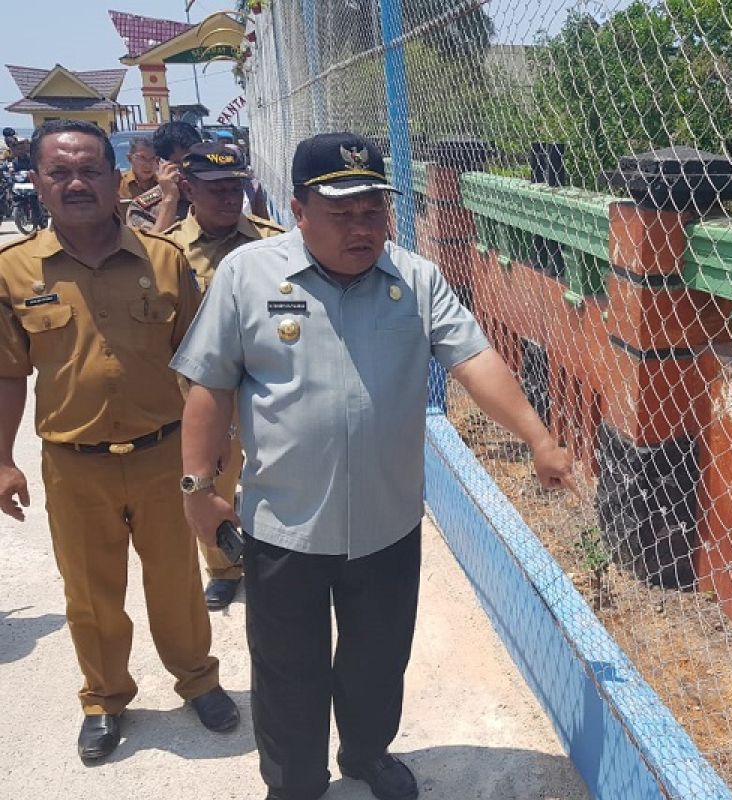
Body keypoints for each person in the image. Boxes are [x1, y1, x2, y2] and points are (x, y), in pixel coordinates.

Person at [172, 132, 573, 800]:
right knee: (288, 672)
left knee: (378, 661)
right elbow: (209, 385)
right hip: (285, 527)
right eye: (342, 211)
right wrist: (196, 488)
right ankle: (294, 781)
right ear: (299, 210)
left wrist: (536, 435)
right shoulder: (248, 276)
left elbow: (474, 359)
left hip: (387, 524)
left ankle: (366, 754)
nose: (362, 227)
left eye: (373, 210)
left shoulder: (415, 278)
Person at [0, 119, 239, 764]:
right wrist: (2, 461)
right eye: (59, 172)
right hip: (74, 464)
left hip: (162, 454)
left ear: (114, 179)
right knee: (90, 591)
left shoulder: (164, 261)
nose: (76, 183)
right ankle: (104, 699)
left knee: (176, 582)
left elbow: (201, 366)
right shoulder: (15, 270)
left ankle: (198, 681)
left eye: (89, 171)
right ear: (39, 183)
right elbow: (7, 374)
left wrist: (210, 457)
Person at [164, 141, 285, 610]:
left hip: (266, 385)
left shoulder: (271, 242)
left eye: (235, 186)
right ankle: (223, 566)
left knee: (276, 477)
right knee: (211, 476)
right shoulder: (169, 249)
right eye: (215, 188)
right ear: (189, 188)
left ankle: (281, 557)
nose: (228, 197)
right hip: (203, 393)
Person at [127, 121, 201, 233]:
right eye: (179, 165)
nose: (188, 172)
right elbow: (152, 248)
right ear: (159, 163)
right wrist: (170, 199)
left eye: (193, 162)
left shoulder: (215, 193)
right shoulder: (142, 209)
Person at [119, 135, 158, 200]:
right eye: (142, 158)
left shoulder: (163, 184)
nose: (148, 164)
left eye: (152, 158)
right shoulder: (119, 184)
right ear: (129, 158)